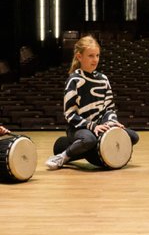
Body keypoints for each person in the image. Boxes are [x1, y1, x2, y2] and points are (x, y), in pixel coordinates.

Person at [45, 35, 139, 170]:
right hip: (79, 128)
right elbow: (70, 114)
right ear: (79, 57)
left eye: (97, 55)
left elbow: (109, 108)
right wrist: (91, 126)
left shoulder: (103, 79)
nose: (95, 60)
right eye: (90, 56)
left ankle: (81, 149)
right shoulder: (74, 80)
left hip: (99, 126)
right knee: (89, 140)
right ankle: (63, 156)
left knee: (132, 136)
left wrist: (111, 122)